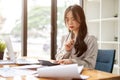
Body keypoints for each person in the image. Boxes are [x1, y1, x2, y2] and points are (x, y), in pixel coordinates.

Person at [55, 4, 98, 69]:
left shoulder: (91, 39)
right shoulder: (64, 38)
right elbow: (58, 59)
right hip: (65, 73)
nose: (70, 23)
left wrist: (72, 62)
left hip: (83, 75)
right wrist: (67, 51)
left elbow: (90, 65)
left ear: (81, 19)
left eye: (73, 19)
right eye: (67, 19)